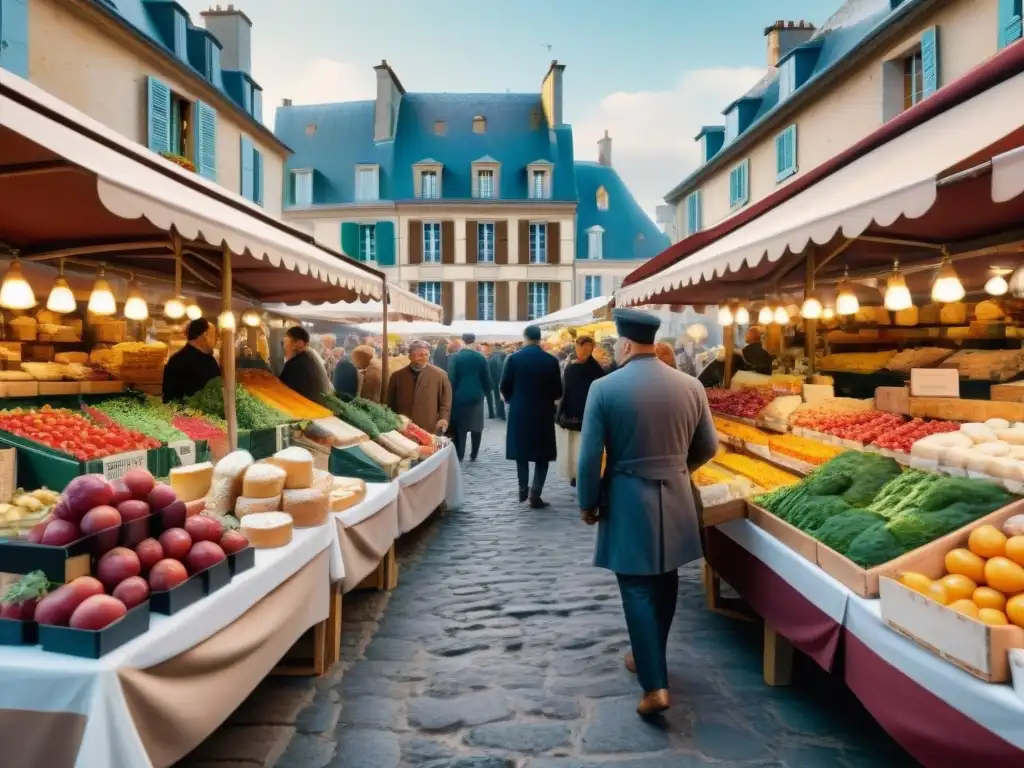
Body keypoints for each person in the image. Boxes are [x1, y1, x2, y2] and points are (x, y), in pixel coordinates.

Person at [576, 309, 718, 717]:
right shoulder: (691, 385)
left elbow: (589, 459)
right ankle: (646, 654)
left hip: (626, 494)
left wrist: (588, 502)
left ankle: (655, 684)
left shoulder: (604, 388)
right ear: (654, 342)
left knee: (636, 586)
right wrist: (677, 469)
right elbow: (708, 446)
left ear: (623, 344)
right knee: (666, 578)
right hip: (675, 493)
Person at [500, 325, 562, 508]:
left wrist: (514, 399)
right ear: (540, 338)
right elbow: (558, 390)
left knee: (522, 451)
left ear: (525, 337)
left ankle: (522, 488)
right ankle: (536, 493)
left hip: (520, 410)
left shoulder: (514, 359)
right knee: (542, 454)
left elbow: (504, 386)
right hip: (542, 411)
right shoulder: (551, 360)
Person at [556, 335, 605, 487]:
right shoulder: (573, 367)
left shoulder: (595, 370)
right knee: (574, 447)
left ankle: (581, 474)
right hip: (573, 414)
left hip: (584, 414)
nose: (583, 351)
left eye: (586, 348)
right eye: (580, 348)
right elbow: (565, 391)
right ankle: (575, 474)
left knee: (581, 447)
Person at [386, 339, 451, 433]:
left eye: (426, 354)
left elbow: (446, 401)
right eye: (420, 355)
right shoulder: (397, 376)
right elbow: (390, 402)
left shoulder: (440, 375)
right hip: (404, 427)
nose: (424, 357)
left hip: (429, 427)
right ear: (410, 356)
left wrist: (443, 418)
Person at [447, 333, 492, 462]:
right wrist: (488, 393)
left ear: (462, 340)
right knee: (477, 426)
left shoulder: (456, 357)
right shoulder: (481, 358)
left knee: (461, 426)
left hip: (459, 396)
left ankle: (460, 454)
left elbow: (451, 377)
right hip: (477, 396)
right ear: (474, 341)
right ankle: (474, 454)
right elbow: (486, 379)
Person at [162, 318, 221, 403]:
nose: (217, 340)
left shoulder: (208, 359)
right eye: (215, 336)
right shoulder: (178, 362)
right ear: (205, 336)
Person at [280, 326, 333, 402]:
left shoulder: (295, 364)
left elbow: (280, 388)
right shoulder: (311, 354)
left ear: (299, 343)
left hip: (310, 409)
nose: (285, 348)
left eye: (286, 344)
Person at [488, 343, 507, 421]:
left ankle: (498, 413)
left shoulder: (491, 356)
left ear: (495, 347)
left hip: (493, 379)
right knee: (502, 396)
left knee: (496, 396)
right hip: (501, 378)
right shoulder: (503, 355)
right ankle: (502, 414)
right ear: (500, 347)